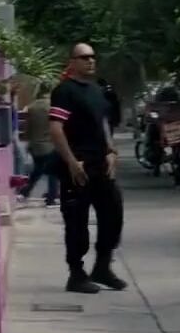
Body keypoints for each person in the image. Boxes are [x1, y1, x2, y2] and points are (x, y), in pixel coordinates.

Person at [48, 43, 128, 294]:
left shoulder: (97, 91)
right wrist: (71, 161)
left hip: (101, 165)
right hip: (78, 168)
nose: (90, 61)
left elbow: (103, 124)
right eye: (84, 57)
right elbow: (56, 128)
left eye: (93, 57)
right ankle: (76, 274)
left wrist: (111, 151)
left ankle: (102, 268)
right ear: (72, 62)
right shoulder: (64, 91)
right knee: (76, 223)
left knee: (113, 214)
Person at [19, 82, 60, 206]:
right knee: (53, 172)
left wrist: (28, 141)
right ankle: (51, 197)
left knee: (37, 170)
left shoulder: (31, 107)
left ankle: (25, 191)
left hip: (35, 146)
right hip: (50, 145)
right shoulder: (53, 107)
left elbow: (27, 129)